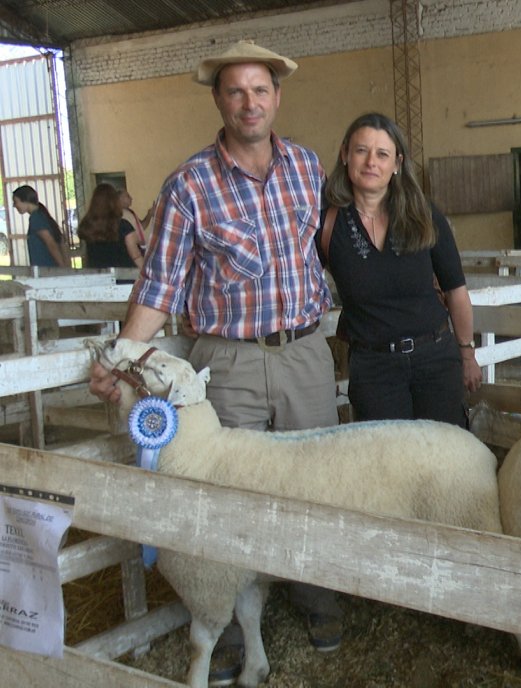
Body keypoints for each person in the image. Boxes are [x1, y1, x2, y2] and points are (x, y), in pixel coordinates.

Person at [86, 39, 344, 682]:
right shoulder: (189, 184)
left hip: (305, 351)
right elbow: (161, 286)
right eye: (236, 91)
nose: (249, 102)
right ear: (219, 100)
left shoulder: (307, 167)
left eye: (261, 90)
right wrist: (121, 359)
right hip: (225, 363)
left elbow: (334, 250)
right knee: (223, 493)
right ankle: (223, 618)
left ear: (277, 98)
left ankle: (317, 596)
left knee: (314, 478)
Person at [318, 112, 481, 426]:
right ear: (345, 154)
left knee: (446, 456)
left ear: (397, 163)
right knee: (388, 465)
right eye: (361, 150)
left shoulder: (424, 215)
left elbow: (456, 290)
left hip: (435, 357)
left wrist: (467, 354)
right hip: (373, 367)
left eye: (382, 154)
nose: (371, 162)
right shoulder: (328, 223)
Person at [77, 183, 142, 269]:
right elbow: (135, 256)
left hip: (98, 275)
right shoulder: (123, 226)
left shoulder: (87, 226)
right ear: (114, 202)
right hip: (124, 275)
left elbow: (86, 255)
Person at [11, 185, 68, 268]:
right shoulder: (41, 215)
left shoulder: (36, 218)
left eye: (16, 202)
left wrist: (63, 267)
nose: (14, 205)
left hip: (46, 270)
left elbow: (50, 243)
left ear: (25, 200)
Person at [118, 188, 153, 256]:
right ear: (120, 199)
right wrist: (149, 215)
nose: (131, 198)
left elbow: (140, 226)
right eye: (127, 196)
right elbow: (142, 227)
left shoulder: (129, 212)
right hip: (135, 249)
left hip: (140, 247)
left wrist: (150, 214)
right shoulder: (122, 214)